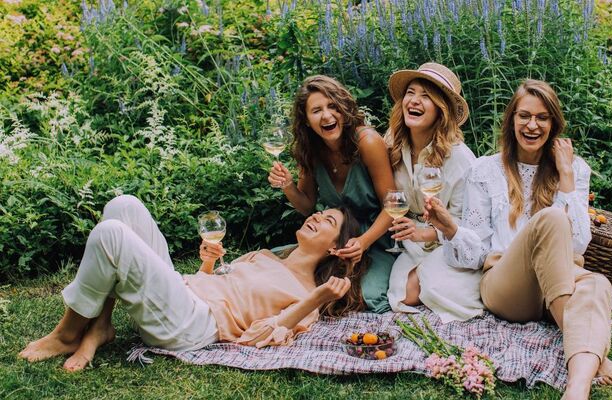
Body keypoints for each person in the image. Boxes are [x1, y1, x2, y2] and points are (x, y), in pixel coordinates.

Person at [425, 80, 612, 399]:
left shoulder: (574, 169)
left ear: (554, 124)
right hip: (508, 287)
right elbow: (477, 253)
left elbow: (578, 245)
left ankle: (577, 389)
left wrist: (565, 177)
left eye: (542, 117)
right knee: (550, 218)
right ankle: (597, 355)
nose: (532, 125)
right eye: (524, 116)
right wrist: (451, 228)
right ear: (511, 121)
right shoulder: (485, 170)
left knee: (598, 284)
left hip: (559, 281)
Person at [18, 195, 363, 372]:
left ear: (335, 246)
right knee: (124, 207)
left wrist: (316, 299)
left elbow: (256, 337)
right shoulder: (263, 257)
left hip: (193, 325)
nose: (316, 216)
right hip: (184, 294)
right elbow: (214, 284)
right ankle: (100, 328)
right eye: (318, 212)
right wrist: (208, 264)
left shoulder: (308, 295)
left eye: (328, 219)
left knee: (111, 235)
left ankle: (66, 334)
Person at [268, 75, 396, 313]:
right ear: (306, 120)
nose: (327, 116)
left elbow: (393, 205)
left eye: (333, 107)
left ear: (344, 110)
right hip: (331, 240)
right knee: (276, 267)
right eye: (316, 110)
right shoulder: (309, 150)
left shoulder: (367, 142)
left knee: (367, 296)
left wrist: (363, 242)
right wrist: (287, 185)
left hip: (375, 239)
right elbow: (307, 206)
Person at [384, 62, 483, 323]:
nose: (414, 101)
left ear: (441, 111)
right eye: (411, 93)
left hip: (447, 243)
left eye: (426, 96)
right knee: (402, 295)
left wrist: (424, 232)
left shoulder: (460, 158)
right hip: (410, 243)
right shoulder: (394, 142)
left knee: (433, 288)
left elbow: (468, 225)